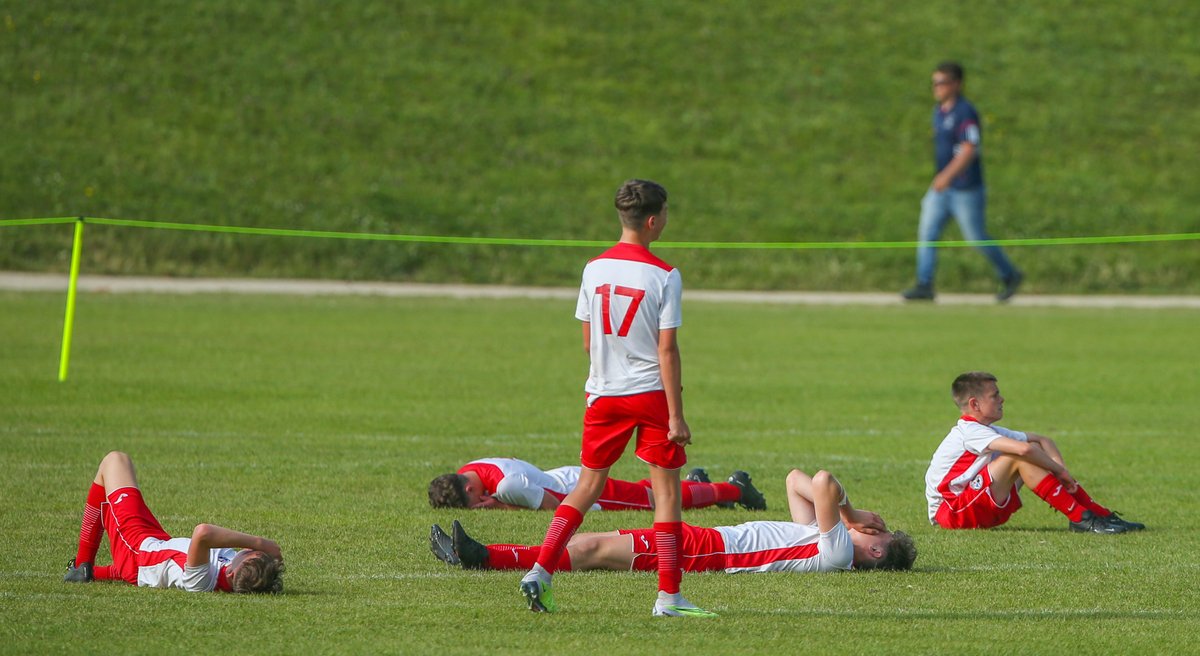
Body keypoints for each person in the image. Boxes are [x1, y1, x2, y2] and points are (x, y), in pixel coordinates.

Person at [519, 179, 713, 617]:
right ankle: (669, 598)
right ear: (653, 220)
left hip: (603, 394)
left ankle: (540, 571)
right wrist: (677, 416)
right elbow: (667, 351)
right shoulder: (665, 275)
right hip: (649, 395)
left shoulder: (594, 268)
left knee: (587, 487)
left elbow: (588, 342)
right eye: (666, 213)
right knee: (667, 494)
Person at [431, 468, 916, 577]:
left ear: (875, 549)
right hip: (704, 542)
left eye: (878, 533)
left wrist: (853, 514)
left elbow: (824, 482)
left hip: (706, 552)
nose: (871, 527)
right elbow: (795, 481)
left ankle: (483, 557)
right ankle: (483, 554)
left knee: (589, 550)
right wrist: (847, 516)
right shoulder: (821, 540)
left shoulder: (836, 552)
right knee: (587, 541)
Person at [924, 372, 1145, 533]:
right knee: (1019, 457)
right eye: (995, 395)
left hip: (970, 505)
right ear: (975, 404)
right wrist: (1059, 471)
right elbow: (1024, 450)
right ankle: (1081, 518)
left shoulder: (987, 430)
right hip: (951, 511)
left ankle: (1098, 514)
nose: (1002, 399)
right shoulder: (970, 431)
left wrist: (1062, 473)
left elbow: (1042, 440)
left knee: (1032, 451)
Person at [62, 451, 285, 593]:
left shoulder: (203, 581)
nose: (248, 549)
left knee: (115, 460)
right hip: (154, 544)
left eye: (249, 553)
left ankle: (81, 566)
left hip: (136, 552)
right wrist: (267, 562)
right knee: (116, 476)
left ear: (231, 574)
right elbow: (265, 564)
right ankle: (93, 572)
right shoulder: (243, 573)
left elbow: (203, 533)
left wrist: (259, 542)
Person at [902, 61, 1023, 302]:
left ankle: (1010, 274)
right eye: (934, 83)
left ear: (956, 84)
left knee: (975, 237)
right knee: (927, 232)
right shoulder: (939, 112)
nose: (936, 88)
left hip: (965, 189)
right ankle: (924, 283)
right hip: (942, 189)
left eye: (941, 83)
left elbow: (969, 148)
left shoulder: (965, 112)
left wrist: (947, 176)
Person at [428, 458, 765, 512]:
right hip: (569, 476)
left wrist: (501, 506)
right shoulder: (470, 469)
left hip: (586, 492)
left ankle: (735, 489)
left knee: (658, 500)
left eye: (474, 504)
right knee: (644, 492)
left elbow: (554, 508)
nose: (480, 505)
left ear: (469, 490)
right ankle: (696, 482)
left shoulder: (506, 486)